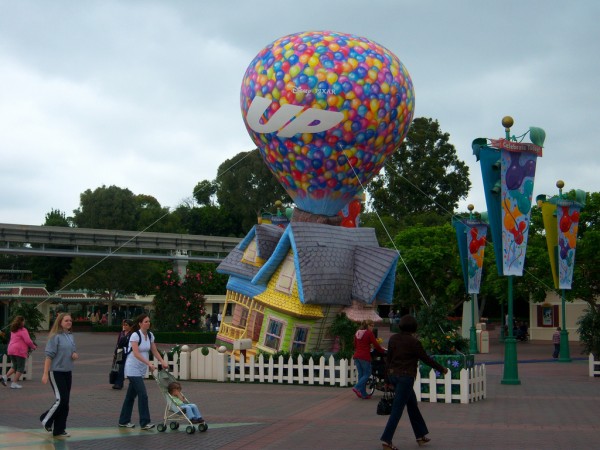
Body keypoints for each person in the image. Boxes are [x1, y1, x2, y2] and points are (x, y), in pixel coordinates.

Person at [380, 314, 448, 450]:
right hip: (406, 378)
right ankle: (386, 440)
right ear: (414, 328)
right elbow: (426, 359)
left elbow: (388, 359)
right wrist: (442, 369)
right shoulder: (414, 342)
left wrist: (387, 380)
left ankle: (420, 435)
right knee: (397, 410)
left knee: (412, 405)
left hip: (393, 375)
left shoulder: (393, 339)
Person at [118, 313, 168, 430]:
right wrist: (149, 363)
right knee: (143, 395)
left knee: (130, 396)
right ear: (140, 323)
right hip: (132, 368)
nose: (148, 323)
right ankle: (145, 422)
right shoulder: (135, 335)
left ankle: (123, 421)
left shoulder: (150, 335)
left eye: (149, 321)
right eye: (145, 321)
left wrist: (162, 361)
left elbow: (154, 350)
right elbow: (135, 353)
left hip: (141, 369)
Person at [40, 313, 79, 438]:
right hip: (56, 372)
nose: (69, 322)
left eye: (70, 321)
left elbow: (72, 351)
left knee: (65, 401)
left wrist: (74, 355)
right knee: (61, 399)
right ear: (60, 322)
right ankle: (45, 419)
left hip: (68, 371)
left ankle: (59, 429)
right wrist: (45, 373)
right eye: (66, 320)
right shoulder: (55, 337)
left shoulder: (70, 336)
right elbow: (49, 356)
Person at [352, 319, 385, 399]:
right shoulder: (369, 333)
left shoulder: (358, 332)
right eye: (372, 326)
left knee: (361, 374)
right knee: (367, 374)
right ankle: (356, 387)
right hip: (364, 356)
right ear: (368, 326)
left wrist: (366, 346)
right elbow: (376, 344)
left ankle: (363, 394)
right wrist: (382, 350)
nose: (373, 328)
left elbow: (355, 344)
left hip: (356, 356)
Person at [1, 315, 37, 389]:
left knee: (14, 366)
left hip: (11, 349)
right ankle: (14, 383)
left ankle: (4, 377)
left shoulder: (13, 330)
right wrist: (33, 346)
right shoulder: (23, 330)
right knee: (20, 367)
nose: (24, 322)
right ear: (21, 322)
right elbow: (28, 341)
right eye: (23, 321)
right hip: (19, 350)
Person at [112, 319, 133, 390]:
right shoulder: (121, 333)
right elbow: (118, 343)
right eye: (124, 324)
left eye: (126, 325)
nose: (124, 326)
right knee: (119, 367)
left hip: (127, 352)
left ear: (130, 326)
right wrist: (115, 352)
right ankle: (117, 383)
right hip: (120, 352)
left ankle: (121, 383)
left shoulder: (132, 334)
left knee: (124, 368)